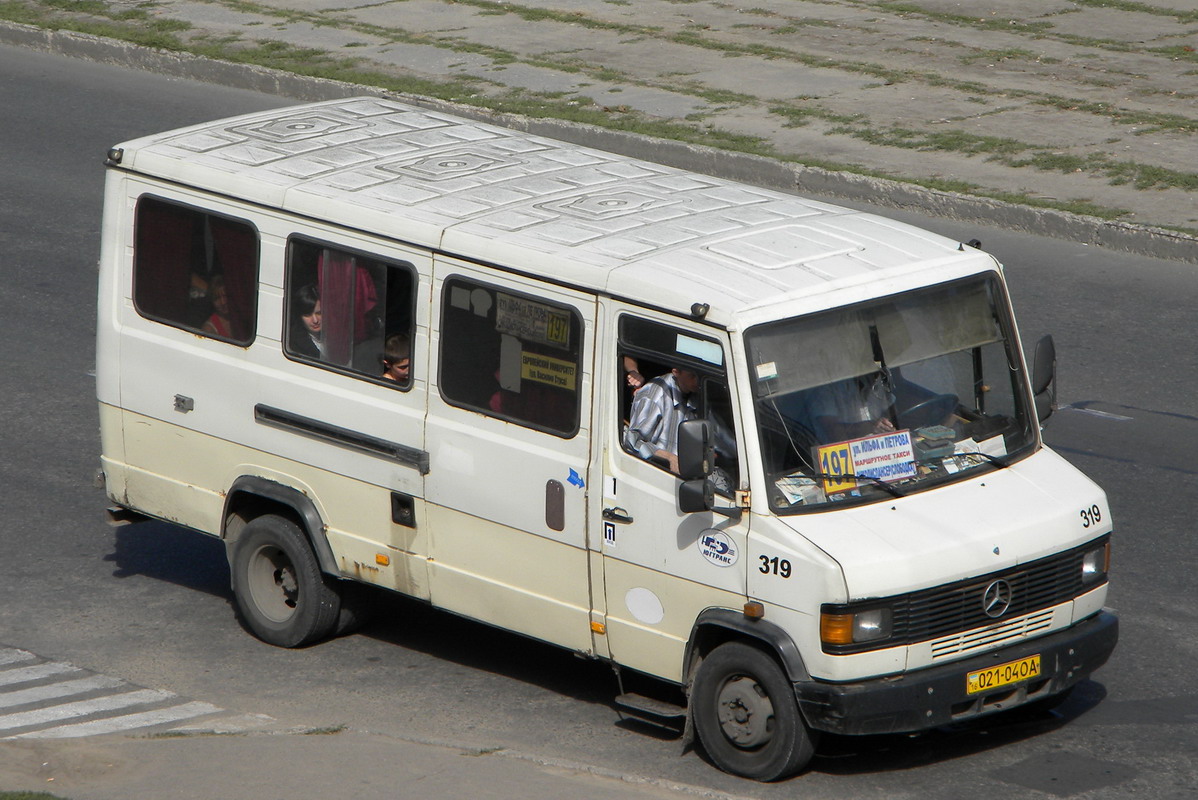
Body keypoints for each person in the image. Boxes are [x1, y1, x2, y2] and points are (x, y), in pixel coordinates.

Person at [623, 366, 734, 476]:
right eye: (692, 376)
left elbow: (720, 434)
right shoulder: (655, 393)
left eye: (700, 376)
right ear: (676, 372)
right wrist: (670, 458)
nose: (698, 381)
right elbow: (633, 440)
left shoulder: (697, 395)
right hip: (654, 473)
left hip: (687, 473)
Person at [810, 372, 896, 442]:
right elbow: (833, 431)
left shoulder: (878, 384)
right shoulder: (827, 388)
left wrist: (888, 427)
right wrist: (871, 427)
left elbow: (896, 416)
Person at [290, 284, 324, 359]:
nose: (315, 320)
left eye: (319, 313)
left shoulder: (336, 337)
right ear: (299, 316)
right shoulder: (294, 346)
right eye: (308, 315)